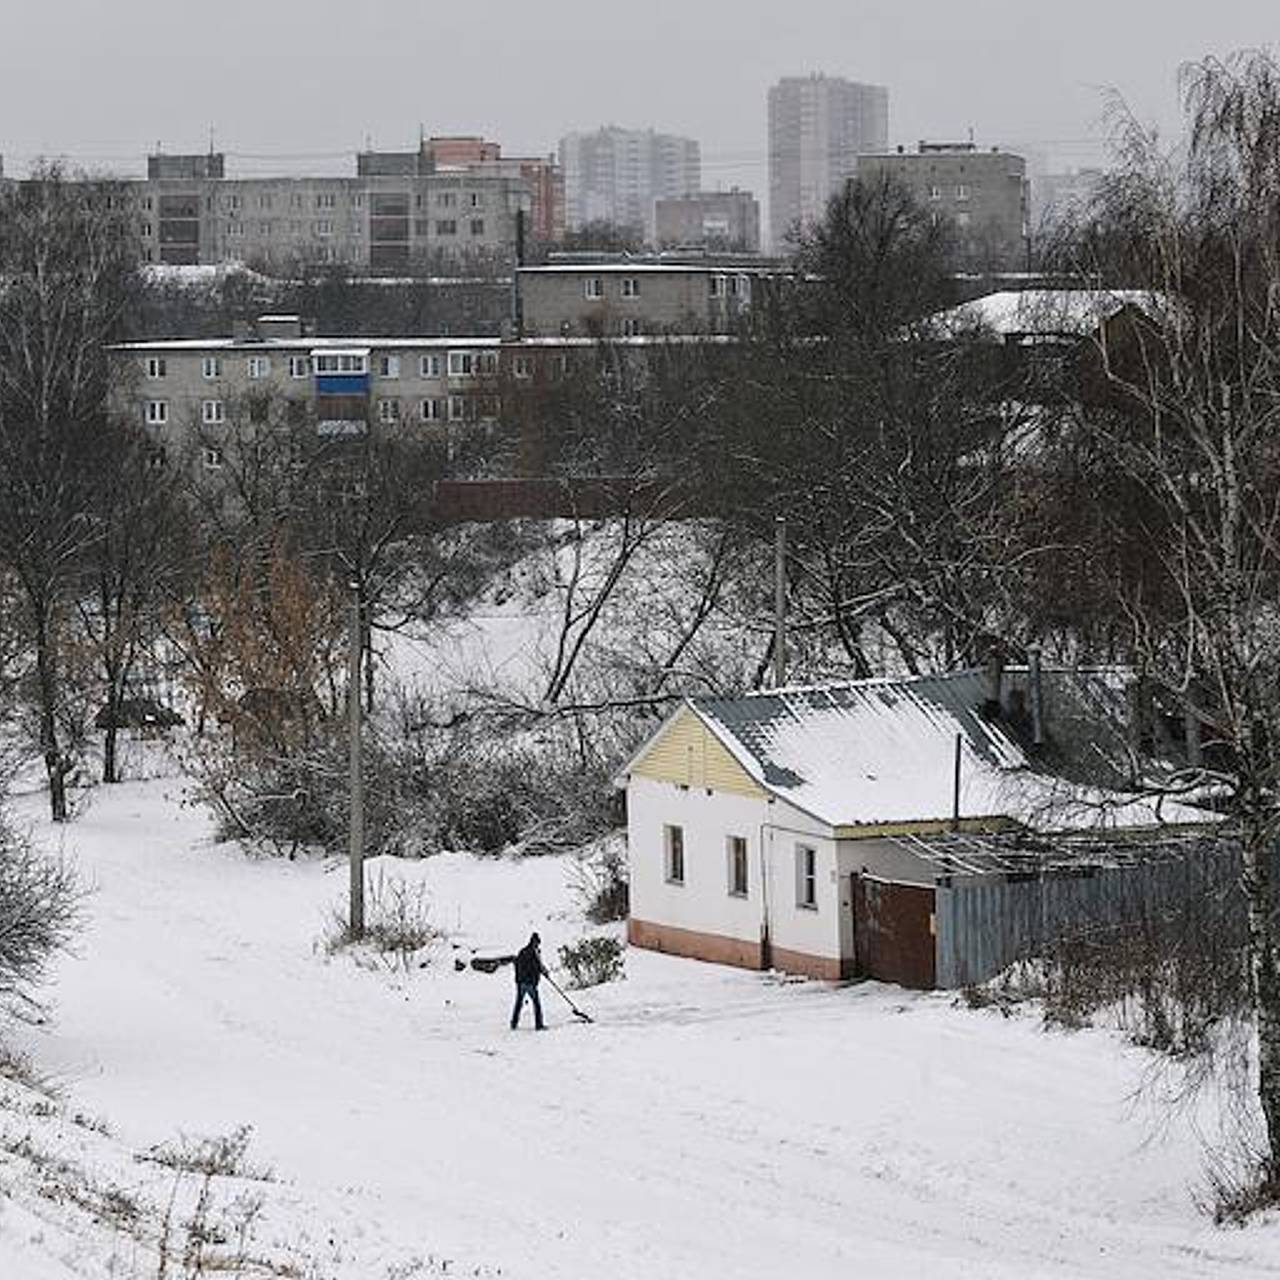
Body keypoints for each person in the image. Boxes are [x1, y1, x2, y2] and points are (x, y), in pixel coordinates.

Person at [511, 931, 546, 1030]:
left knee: (518, 1003)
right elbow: (534, 967)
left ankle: (514, 1023)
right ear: (535, 942)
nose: (538, 945)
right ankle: (539, 1025)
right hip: (529, 983)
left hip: (521, 982)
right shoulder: (532, 953)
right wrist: (541, 971)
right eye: (537, 943)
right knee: (536, 1004)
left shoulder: (523, 951)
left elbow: (517, 965)